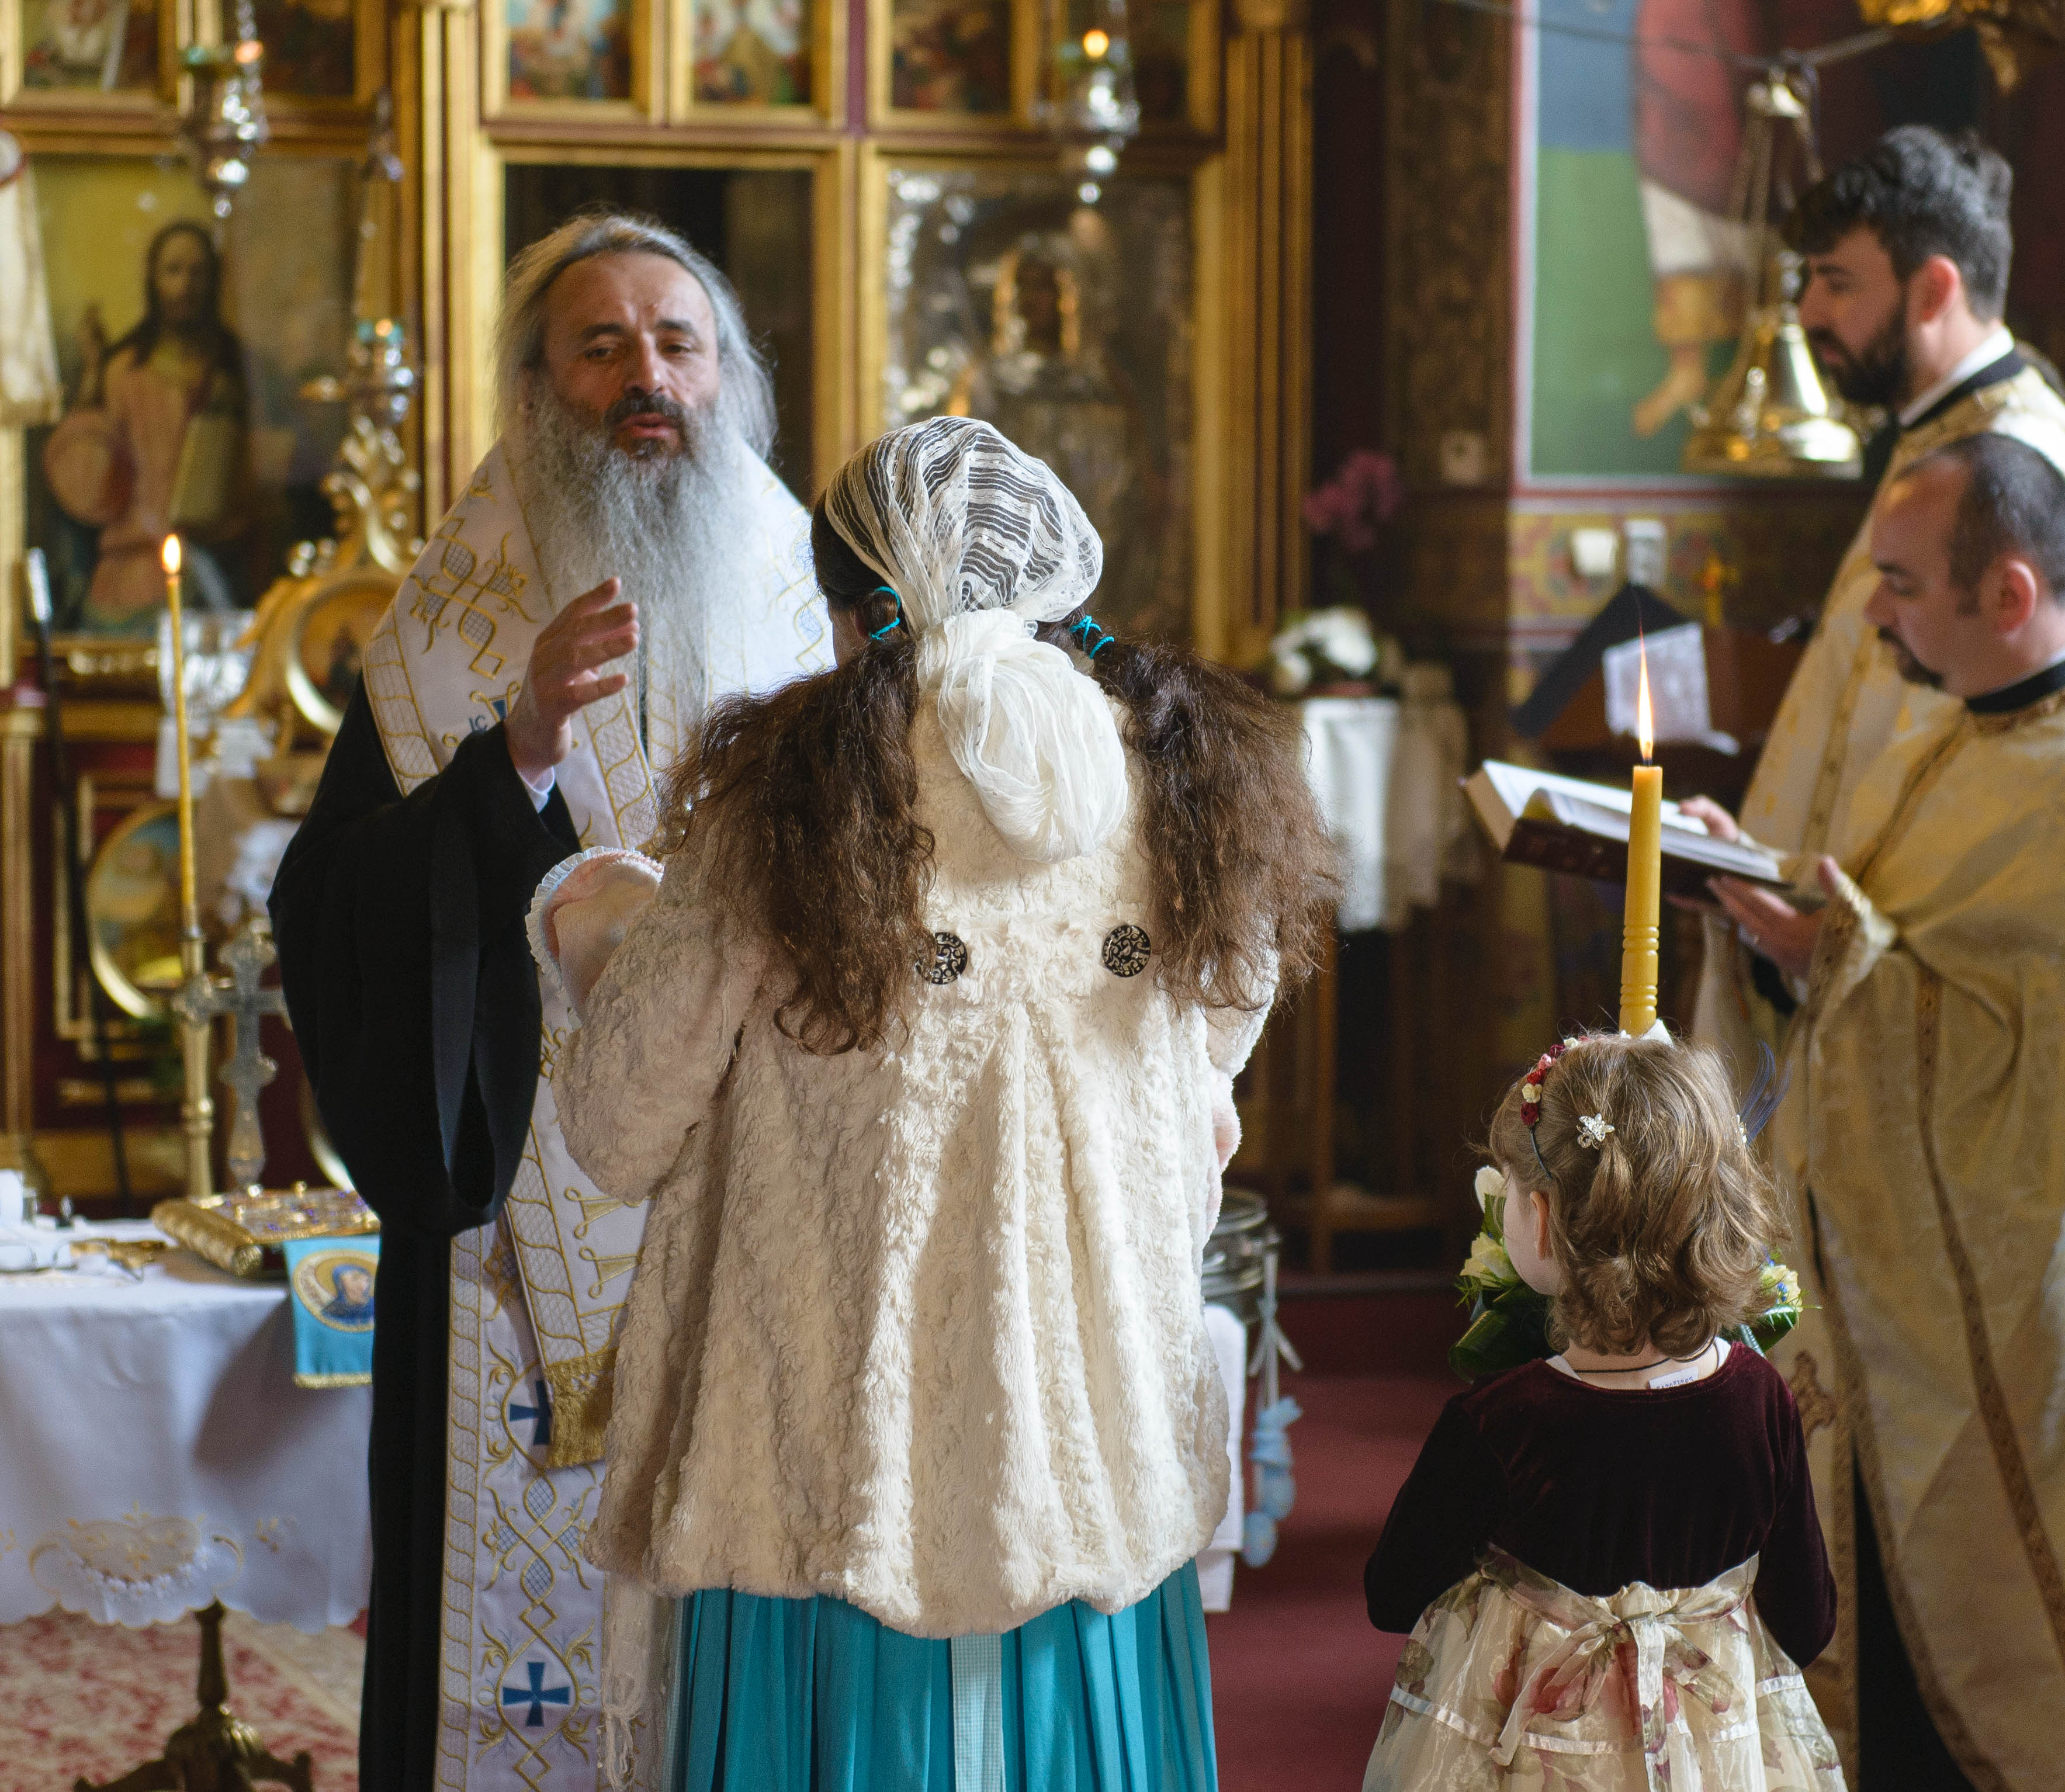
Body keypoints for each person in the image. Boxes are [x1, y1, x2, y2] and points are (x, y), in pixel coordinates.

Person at [536, 415, 1340, 1786]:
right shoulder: (1185, 778)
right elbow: (1210, 1062)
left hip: (832, 1462)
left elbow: (617, 1129)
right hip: (1087, 1444)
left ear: (851, 613)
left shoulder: (782, 803)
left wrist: (592, 929)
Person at [270, 212, 828, 1792]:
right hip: (511, 1206)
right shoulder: (449, 625)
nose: (644, 376)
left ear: (729, 380)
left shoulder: (804, 598)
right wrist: (504, 757)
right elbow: (330, 903)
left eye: (676, 342)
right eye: (601, 346)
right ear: (537, 388)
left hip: (749, 1202)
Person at [1685, 433, 2065, 1791]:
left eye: (1899, 582)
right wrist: (1797, 933)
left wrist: (1831, 959)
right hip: (1933, 1345)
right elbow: (1914, 947)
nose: (1874, 613)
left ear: (2007, 594)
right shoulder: (1976, 724)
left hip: (2054, 1350)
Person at [1687, 123, 2065, 1769]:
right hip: (1836, 982)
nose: (1806, 311)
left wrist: (1827, 942)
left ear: (1932, 284)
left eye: (1834, 280)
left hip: (1952, 1119)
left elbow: (2032, 894)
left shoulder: (2012, 464)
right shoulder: (1943, 449)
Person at [1362, 1031, 1845, 1791]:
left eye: (1513, 1193)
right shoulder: (1760, 1398)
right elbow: (1809, 1618)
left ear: (1545, 1217)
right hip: (1714, 1761)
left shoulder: (1502, 1420)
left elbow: (1391, 1593)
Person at [41, 220, 247, 628]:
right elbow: (88, 482)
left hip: (218, 568)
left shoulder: (232, 370)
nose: (186, 284)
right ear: (154, 280)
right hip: (132, 572)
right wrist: (92, 381)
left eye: (198, 271)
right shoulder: (125, 372)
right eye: (173, 270)